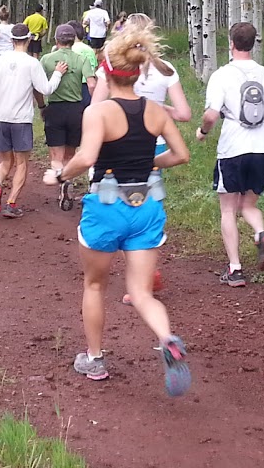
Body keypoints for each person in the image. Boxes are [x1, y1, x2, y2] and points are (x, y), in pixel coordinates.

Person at [60, 22, 193, 393]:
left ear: (106, 70)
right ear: (139, 71)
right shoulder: (155, 111)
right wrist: (150, 163)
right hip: (147, 206)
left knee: (95, 284)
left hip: (106, 205)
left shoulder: (98, 112)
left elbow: (86, 157)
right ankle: (167, 339)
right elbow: (181, 155)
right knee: (143, 292)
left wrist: (59, 175)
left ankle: (95, 358)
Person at [95, 13, 190, 302]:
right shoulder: (166, 69)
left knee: (122, 207)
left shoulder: (113, 63)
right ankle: (150, 270)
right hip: (158, 145)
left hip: (120, 143)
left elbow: (97, 104)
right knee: (149, 209)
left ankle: (139, 281)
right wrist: (159, 109)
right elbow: (185, 114)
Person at [195, 22, 264, 287]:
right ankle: (261, 234)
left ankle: (235, 269)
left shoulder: (222, 75)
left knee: (228, 209)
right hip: (262, 149)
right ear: (253, 43)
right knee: (248, 204)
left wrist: (203, 131)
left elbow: (211, 114)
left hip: (232, 149)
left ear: (231, 44)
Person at [0, 22, 64, 218]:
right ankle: (11, 203)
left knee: (4, 161)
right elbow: (46, 89)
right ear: (28, 40)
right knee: (21, 163)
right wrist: (58, 73)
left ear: (11, 40)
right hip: (20, 119)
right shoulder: (32, 63)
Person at [40, 24, 94, 187]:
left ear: (56, 40)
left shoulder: (46, 59)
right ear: (74, 40)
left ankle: (59, 180)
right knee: (70, 154)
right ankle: (67, 180)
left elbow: (38, 86)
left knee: (56, 156)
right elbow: (91, 84)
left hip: (55, 109)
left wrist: (41, 105)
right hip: (75, 109)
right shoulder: (81, 59)